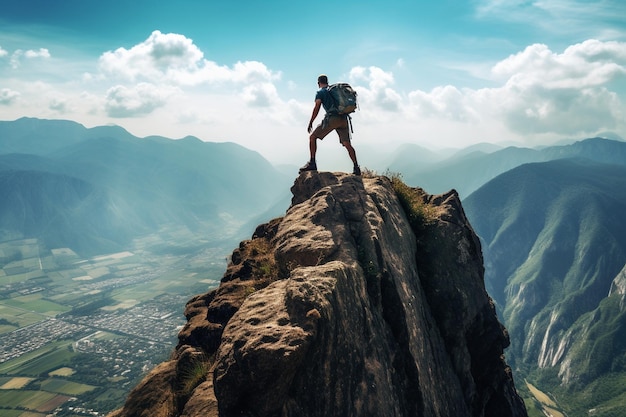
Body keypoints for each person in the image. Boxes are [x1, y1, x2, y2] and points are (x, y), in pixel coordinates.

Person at [299, 74, 361, 176]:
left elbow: (317, 107)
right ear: (327, 81)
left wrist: (311, 122)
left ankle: (312, 163)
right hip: (343, 118)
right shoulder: (333, 90)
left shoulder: (320, 92)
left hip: (332, 118)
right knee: (347, 143)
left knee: (313, 137)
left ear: (318, 83)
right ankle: (356, 167)